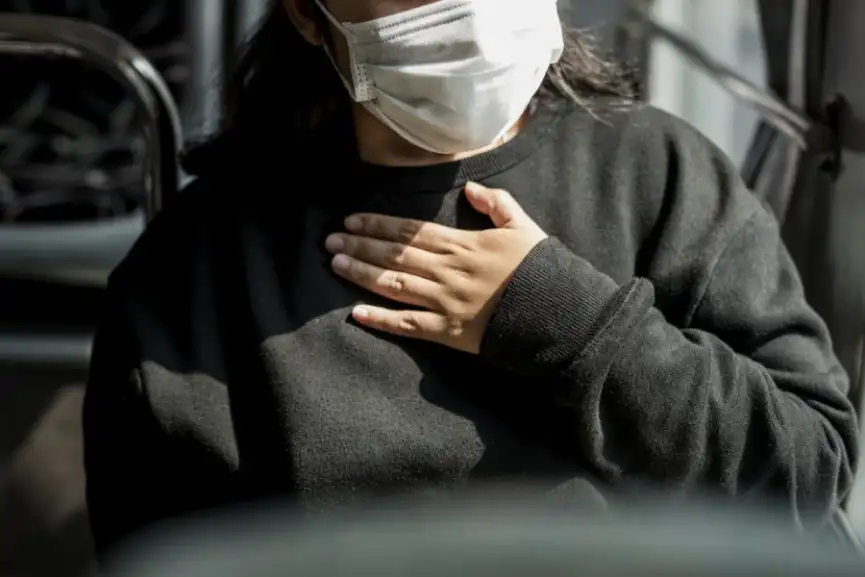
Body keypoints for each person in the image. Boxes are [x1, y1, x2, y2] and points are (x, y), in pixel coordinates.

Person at [83, 0, 859, 561]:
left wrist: (569, 322)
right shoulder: (196, 270)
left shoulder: (657, 175)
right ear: (307, 16)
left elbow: (804, 479)